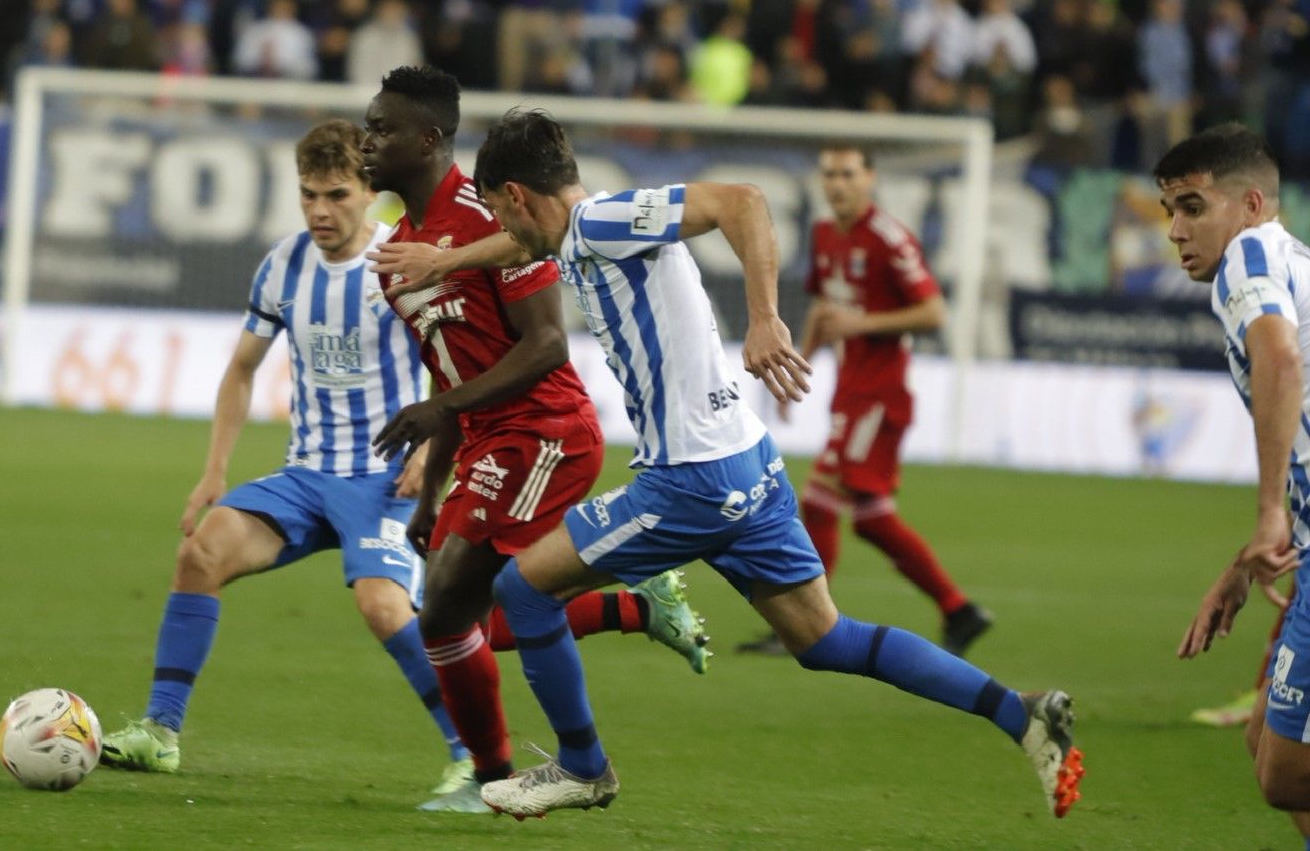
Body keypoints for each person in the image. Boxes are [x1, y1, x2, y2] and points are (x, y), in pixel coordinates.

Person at [373, 110, 1083, 820]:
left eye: (498, 207)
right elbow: (515, 245)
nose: (500, 225)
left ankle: (584, 766)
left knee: (524, 592)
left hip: (687, 479)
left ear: (517, 195)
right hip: (748, 461)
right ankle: (1020, 712)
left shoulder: (603, 222)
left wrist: (766, 314)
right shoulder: (581, 232)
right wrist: (445, 261)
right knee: (824, 637)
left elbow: (742, 200)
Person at [100, 121, 697, 807]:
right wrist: (214, 469)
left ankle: (470, 757)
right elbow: (240, 369)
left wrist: (429, 457)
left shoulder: (410, 258)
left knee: (404, 609)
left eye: (337, 194)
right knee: (201, 555)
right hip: (306, 473)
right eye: (308, 195)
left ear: (368, 193)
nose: (321, 210)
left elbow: (454, 357)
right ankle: (161, 730)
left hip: (388, 476)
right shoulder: (283, 266)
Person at [362, 68, 710, 813]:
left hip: (544, 428)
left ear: (428, 139)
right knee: (481, 613)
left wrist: (445, 414)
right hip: (489, 440)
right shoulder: (401, 255)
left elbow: (548, 342)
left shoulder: (492, 218)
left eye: (381, 128)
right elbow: (445, 379)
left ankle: (492, 778)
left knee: (448, 605)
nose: (369, 141)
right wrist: (432, 490)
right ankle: (635, 606)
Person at [739, 146, 992, 657]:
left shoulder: (888, 238)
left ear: (870, 179)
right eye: (829, 174)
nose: (837, 184)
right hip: (850, 391)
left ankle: (808, 625)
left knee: (818, 501)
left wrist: (864, 324)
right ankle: (959, 611)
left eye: (848, 174)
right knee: (872, 518)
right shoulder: (825, 234)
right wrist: (798, 361)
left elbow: (934, 311)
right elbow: (825, 306)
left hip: (881, 393)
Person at [1158, 125, 1310, 840]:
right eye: (1169, 213)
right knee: (1265, 747)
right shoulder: (1282, 256)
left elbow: (1279, 356)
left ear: (1250, 203)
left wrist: (1269, 511)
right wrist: (1249, 556)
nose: (1176, 230)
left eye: (1192, 206)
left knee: (1285, 770)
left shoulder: (1245, 257)